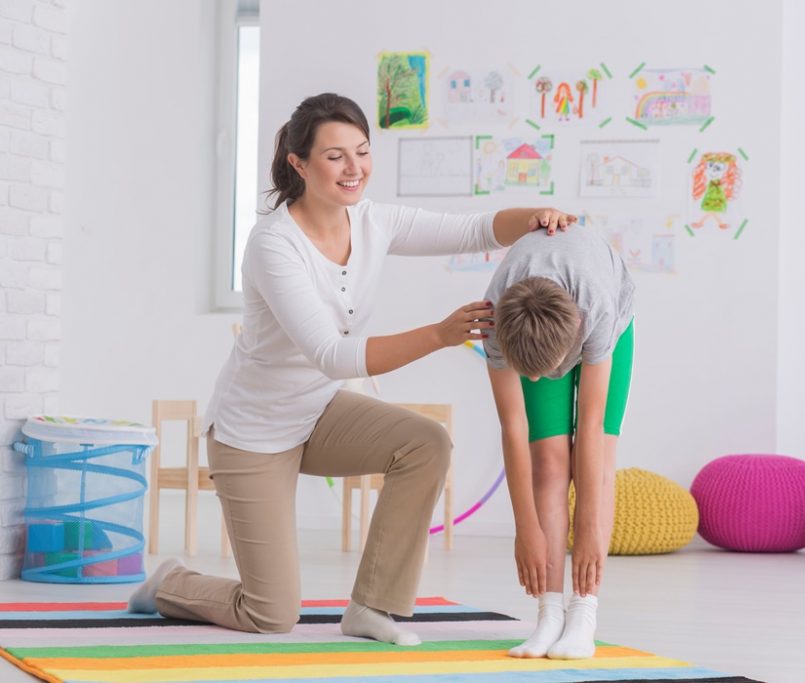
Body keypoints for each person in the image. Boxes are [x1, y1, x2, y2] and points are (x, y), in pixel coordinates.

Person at [126, 93, 576, 646]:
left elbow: (473, 230)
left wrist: (534, 217)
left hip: (317, 413)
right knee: (270, 613)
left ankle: (371, 606)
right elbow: (332, 355)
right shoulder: (274, 244)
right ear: (299, 163)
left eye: (362, 151)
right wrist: (440, 334)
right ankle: (171, 583)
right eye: (335, 156)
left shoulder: (372, 221)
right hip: (253, 434)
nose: (354, 167)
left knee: (425, 443)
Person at [483, 227, 635, 659]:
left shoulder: (597, 311)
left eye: (541, 370)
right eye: (526, 372)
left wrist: (587, 528)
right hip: (536, 314)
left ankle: (584, 613)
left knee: (599, 459)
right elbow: (513, 427)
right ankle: (549, 615)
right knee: (549, 462)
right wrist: (525, 527)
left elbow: (590, 424)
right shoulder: (494, 321)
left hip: (608, 315)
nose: (534, 379)